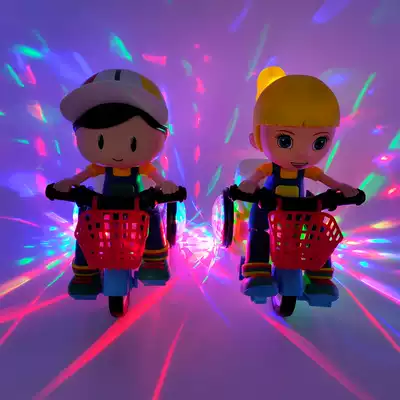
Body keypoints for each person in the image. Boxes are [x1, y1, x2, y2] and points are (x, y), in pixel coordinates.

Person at [54, 69, 179, 297]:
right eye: (100, 141)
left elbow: (157, 177)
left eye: (133, 142)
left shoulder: (142, 167)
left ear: (163, 134)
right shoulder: (100, 167)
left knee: (152, 214)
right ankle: (85, 271)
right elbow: (83, 175)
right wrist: (70, 183)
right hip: (104, 205)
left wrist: (165, 185)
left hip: (137, 204)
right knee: (86, 224)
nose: (118, 153)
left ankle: (154, 259)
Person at [238, 66, 358, 303]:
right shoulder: (270, 168)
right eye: (285, 140)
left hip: (301, 210)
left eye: (319, 142)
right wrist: (250, 185)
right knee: (259, 229)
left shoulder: (307, 170)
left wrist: (342, 189)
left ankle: (320, 277)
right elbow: (256, 176)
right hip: (270, 206)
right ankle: (257, 270)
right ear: (257, 137)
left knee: (318, 232)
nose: (302, 154)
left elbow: (325, 179)